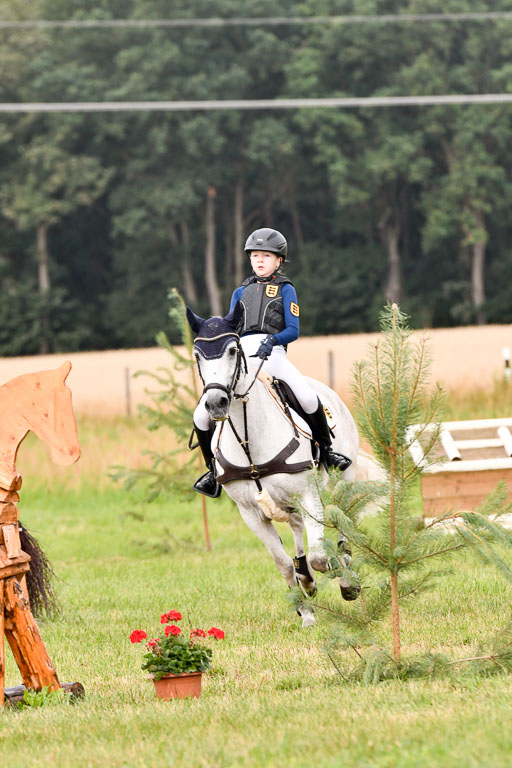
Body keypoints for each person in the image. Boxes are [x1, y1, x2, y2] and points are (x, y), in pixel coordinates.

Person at [193, 227, 352, 497]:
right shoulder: (239, 292)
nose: (260, 260)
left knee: (307, 397)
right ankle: (212, 471)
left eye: (266, 255)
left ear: (278, 260)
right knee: (200, 415)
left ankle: (327, 453)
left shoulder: (286, 289)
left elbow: (294, 330)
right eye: (255, 255)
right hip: (243, 355)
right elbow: (233, 327)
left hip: (273, 353)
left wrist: (273, 341)